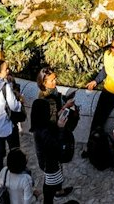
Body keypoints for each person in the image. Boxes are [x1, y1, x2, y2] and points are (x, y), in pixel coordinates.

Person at [31, 67, 77, 204]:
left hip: (49, 153)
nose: (55, 81)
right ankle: (52, 196)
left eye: (55, 78)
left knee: (53, 176)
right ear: (44, 82)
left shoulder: (49, 94)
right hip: (49, 155)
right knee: (51, 179)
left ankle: (57, 191)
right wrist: (65, 108)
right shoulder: (47, 101)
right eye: (51, 80)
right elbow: (52, 122)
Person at [0, 57, 25, 177]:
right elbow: (14, 106)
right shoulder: (5, 86)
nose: (8, 71)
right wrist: (21, 102)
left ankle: (0, 177)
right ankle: (17, 173)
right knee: (14, 150)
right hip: (7, 124)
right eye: (5, 69)